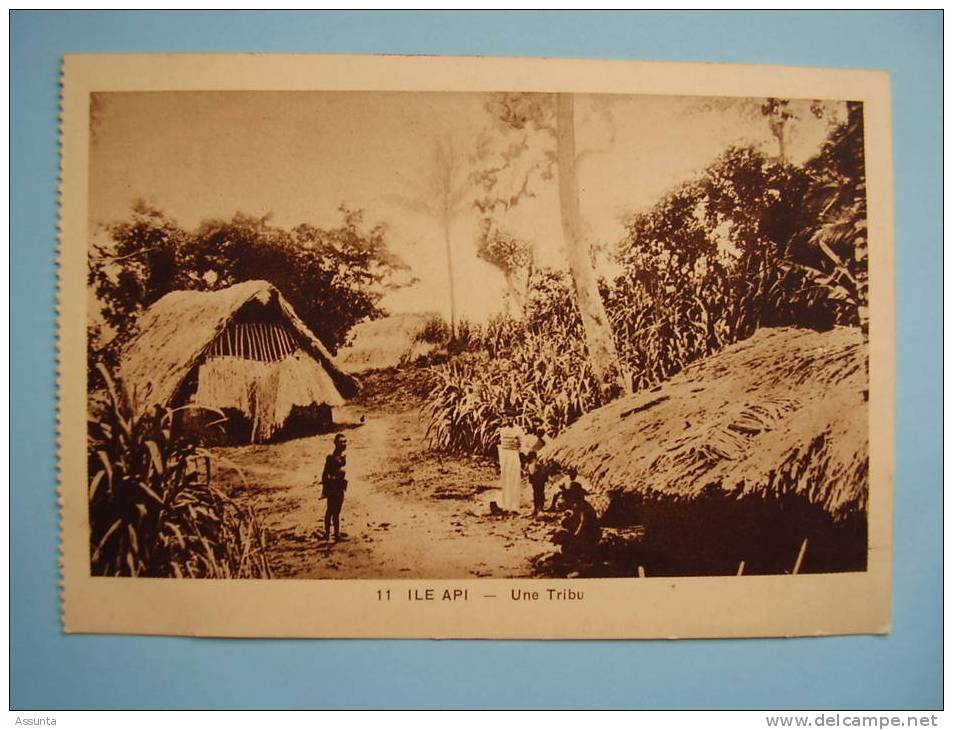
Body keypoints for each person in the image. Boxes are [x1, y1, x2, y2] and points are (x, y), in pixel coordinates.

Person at [552, 483, 601, 557]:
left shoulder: (583, 506)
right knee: (565, 521)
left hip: (591, 535)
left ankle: (582, 548)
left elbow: (583, 522)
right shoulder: (577, 505)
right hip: (585, 532)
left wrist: (575, 536)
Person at [321, 433, 348, 542]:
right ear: (336, 444)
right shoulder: (331, 458)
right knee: (330, 511)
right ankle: (327, 534)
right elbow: (324, 474)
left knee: (336, 511)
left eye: (345, 441)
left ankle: (336, 535)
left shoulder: (342, 457)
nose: (344, 444)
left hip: (340, 486)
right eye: (341, 442)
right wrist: (325, 489)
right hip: (333, 487)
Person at [497, 417, 525, 512]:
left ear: (514, 419)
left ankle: (514, 506)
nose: (509, 420)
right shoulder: (503, 430)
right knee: (506, 479)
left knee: (514, 479)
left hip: (514, 455)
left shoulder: (518, 430)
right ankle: (506, 505)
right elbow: (501, 445)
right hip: (505, 456)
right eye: (507, 418)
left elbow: (522, 445)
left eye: (511, 418)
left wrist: (523, 457)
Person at [525, 451, 549, 516]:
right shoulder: (534, 465)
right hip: (538, 481)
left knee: (537, 494)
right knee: (539, 494)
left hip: (537, 481)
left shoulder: (531, 465)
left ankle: (538, 508)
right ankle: (538, 508)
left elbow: (532, 474)